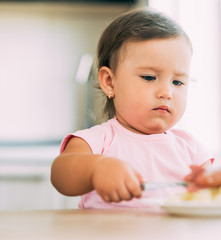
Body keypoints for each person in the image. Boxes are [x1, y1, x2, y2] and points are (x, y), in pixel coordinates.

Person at [50, 8, 212, 209]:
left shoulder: (191, 149)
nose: (166, 92)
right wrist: (97, 168)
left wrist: (220, 184)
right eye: (149, 77)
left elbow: (211, 195)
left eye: (178, 82)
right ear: (110, 82)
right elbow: (61, 174)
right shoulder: (98, 140)